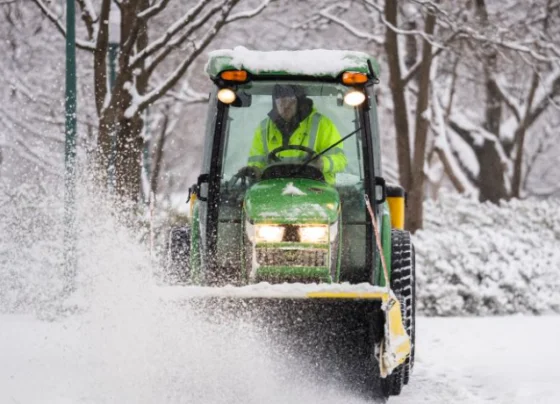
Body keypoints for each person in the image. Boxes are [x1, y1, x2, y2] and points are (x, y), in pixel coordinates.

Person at [241, 84, 347, 185]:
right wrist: (254, 170)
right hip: (273, 190)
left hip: (318, 190)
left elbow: (341, 160)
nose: (285, 106)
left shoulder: (322, 125)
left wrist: (323, 163)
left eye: (290, 101)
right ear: (275, 103)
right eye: (281, 101)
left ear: (299, 102)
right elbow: (256, 161)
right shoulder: (264, 128)